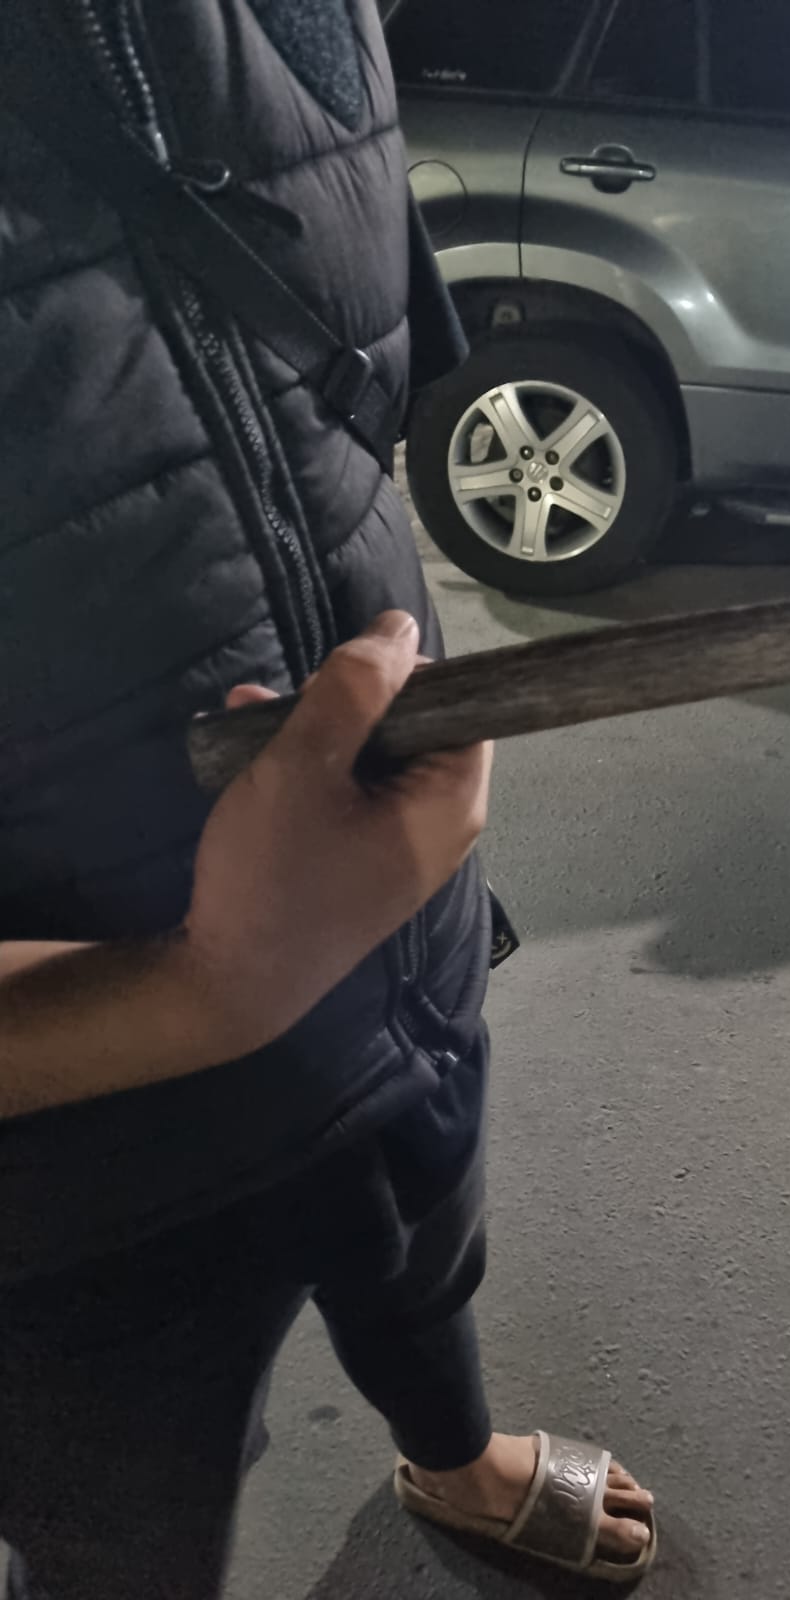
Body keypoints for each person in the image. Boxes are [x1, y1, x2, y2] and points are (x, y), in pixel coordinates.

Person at [0, 2, 654, 1595]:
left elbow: (340, 422)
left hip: (405, 958)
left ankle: (453, 1451)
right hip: (73, 1158)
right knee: (122, 1515)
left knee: (418, 1247)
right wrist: (206, 990)